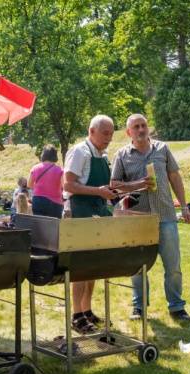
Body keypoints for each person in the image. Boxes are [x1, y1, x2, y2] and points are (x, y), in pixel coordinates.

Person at [110, 114, 190, 322]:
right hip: (137, 219)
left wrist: (184, 206)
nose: (141, 129)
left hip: (165, 215)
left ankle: (176, 307)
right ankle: (139, 306)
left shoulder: (162, 149)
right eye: (136, 127)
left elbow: (175, 176)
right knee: (138, 265)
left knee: (173, 265)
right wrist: (138, 184)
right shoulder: (122, 155)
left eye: (143, 125)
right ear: (128, 132)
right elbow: (114, 185)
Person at [63, 115, 117, 334]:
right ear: (91, 131)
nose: (109, 139)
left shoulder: (103, 155)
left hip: (98, 211)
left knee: (93, 265)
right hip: (80, 212)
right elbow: (68, 184)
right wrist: (98, 191)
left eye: (111, 135)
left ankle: (86, 310)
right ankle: (76, 315)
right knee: (80, 267)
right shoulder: (79, 152)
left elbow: (104, 185)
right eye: (105, 134)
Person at [28, 144, 64, 218]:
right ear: (55, 155)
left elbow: (29, 184)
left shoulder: (35, 168)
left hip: (38, 200)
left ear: (43, 155)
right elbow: (63, 185)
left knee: (40, 225)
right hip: (55, 202)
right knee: (53, 226)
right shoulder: (60, 170)